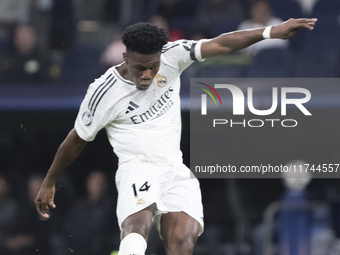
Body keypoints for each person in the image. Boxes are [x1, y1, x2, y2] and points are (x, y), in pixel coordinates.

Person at [35, 18, 317, 255]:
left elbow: (221, 43)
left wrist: (269, 32)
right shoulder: (104, 92)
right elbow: (77, 138)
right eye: (139, 68)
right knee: (138, 226)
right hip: (138, 165)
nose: (147, 75)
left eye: (152, 67)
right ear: (125, 57)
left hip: (175, 168)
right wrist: (49, 182)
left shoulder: (173, 54)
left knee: (184, 240)